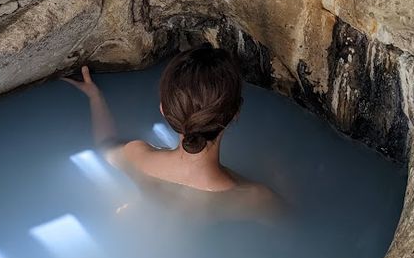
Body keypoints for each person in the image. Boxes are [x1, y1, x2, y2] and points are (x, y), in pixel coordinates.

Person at [64, 46, 280, 222]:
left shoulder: (138, 157)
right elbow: (294, 233)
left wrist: (95, 97)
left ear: (164, 111)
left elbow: (105, 145)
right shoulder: (255, 198)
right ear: (235, 114)